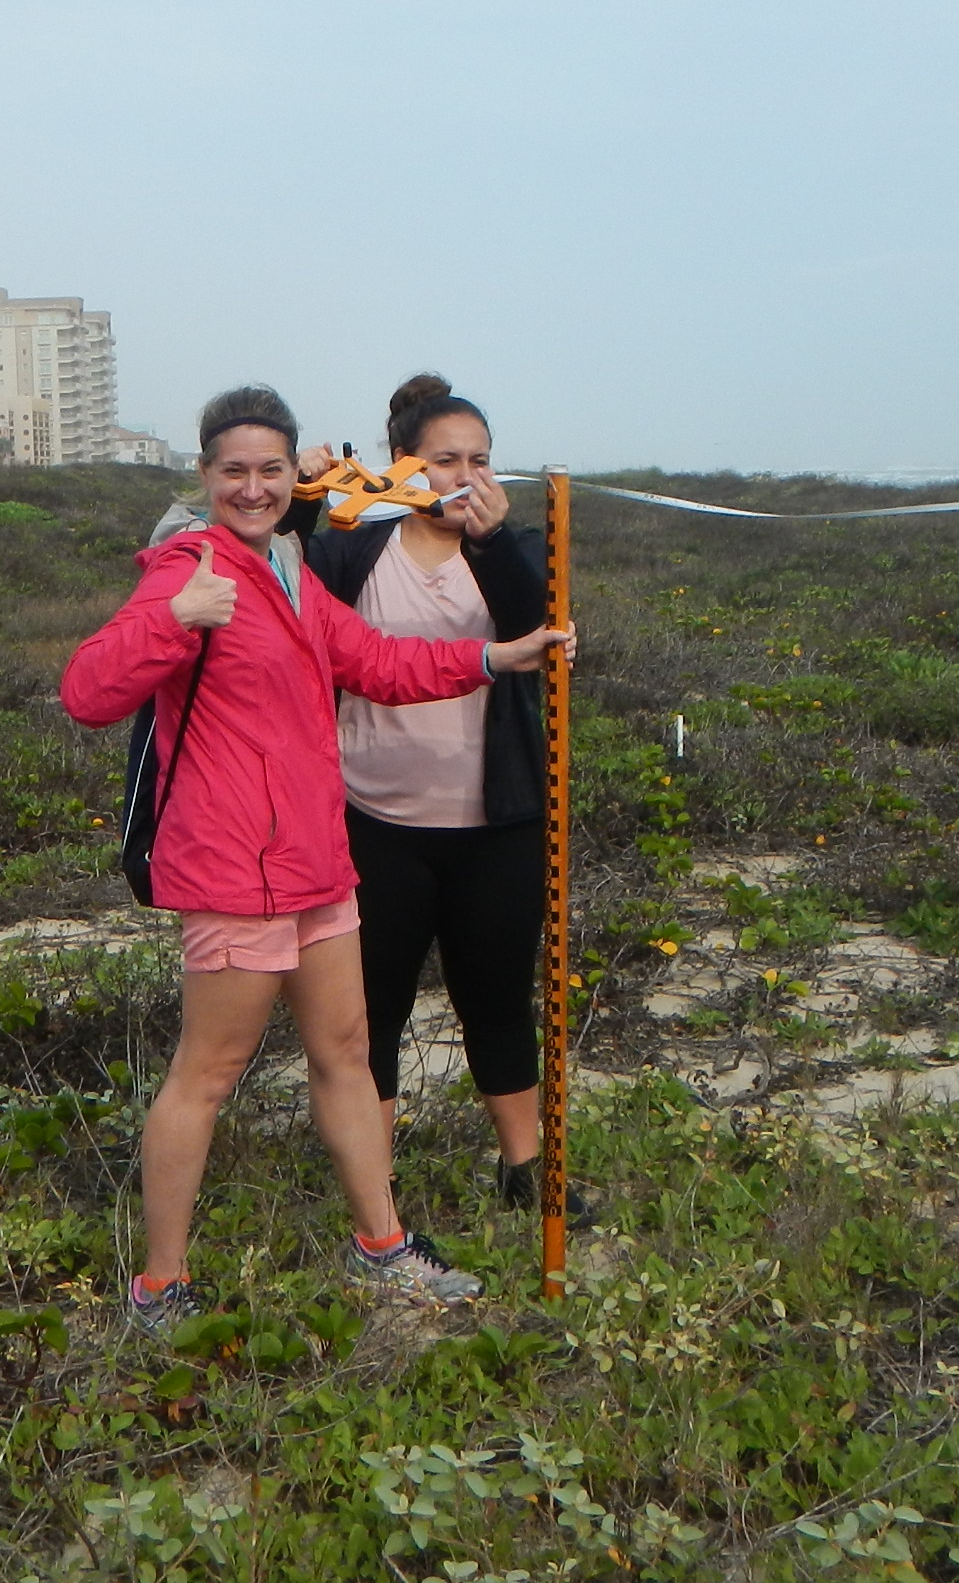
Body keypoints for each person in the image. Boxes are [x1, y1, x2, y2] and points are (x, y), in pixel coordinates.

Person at [61, 385, 574, 1332]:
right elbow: (88, 691)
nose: (252, 488)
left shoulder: (296, 572)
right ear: (206, 475)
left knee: (344, 1051)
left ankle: (382, 1246)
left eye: (269, 471)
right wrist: (176, 616)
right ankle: (160, 1286)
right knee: (208, 1074)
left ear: (293, 473)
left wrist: (500, 659)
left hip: (315, 860)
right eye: (233, 472)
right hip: (231, 866)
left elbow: (377, 662)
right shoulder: (189, 565)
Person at [299, 374, 571, 1210]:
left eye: (481, 460)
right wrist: (302, 499)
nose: (465, 476)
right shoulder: (355, 546)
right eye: (444, 459)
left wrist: (489, 547)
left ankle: (525, 1169)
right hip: (371, 819)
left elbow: (540, 625)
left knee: (496, 996)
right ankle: (373, 1185)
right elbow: (281, 584)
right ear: (399, 465)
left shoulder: (519, 549)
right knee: (369, 1013)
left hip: (498, 820)